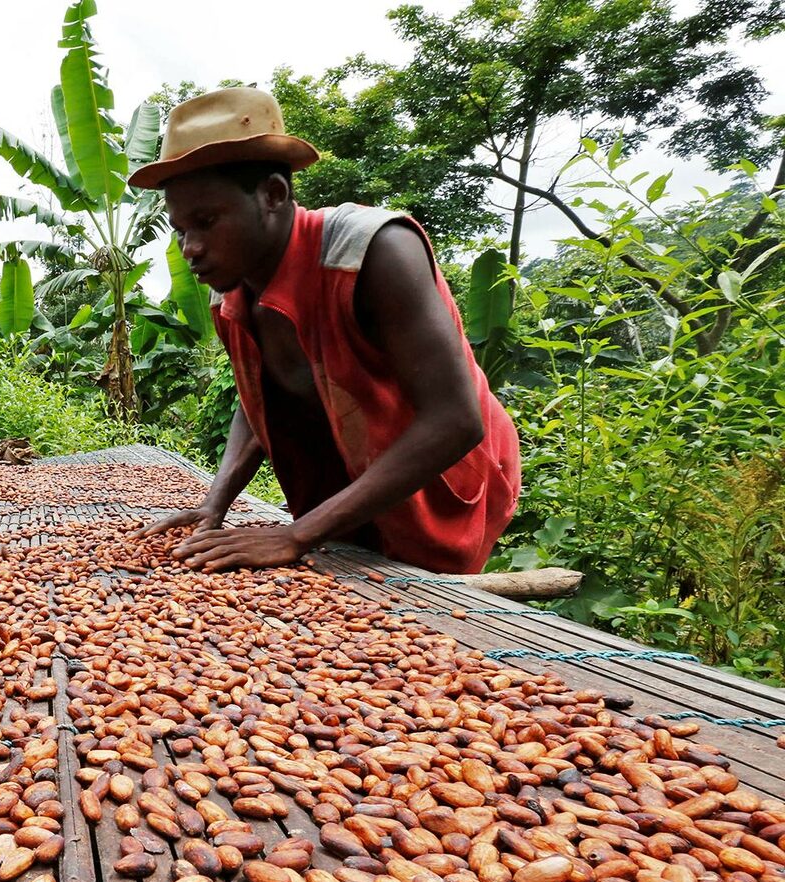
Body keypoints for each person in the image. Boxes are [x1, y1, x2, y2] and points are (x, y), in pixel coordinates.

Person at [130, 88, 520, 575]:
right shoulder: (230, 294)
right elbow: (256, 405)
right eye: (181, 230)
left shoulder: (374, 252)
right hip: (344, 478)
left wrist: (297, 534)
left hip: (442, 481)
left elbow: (455, 421)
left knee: (424, 611)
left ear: (273, 195)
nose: (191, 248)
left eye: (206, 222)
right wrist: (215, 504)